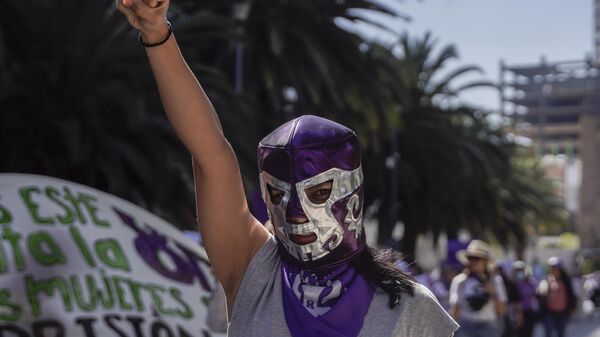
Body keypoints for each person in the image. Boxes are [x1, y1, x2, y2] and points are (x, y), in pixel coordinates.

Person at [115, 1, 460, 336]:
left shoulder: (410, 307)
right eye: (278, 194)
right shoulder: (254, 271)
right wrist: (157, 33)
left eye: (319, 192)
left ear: (353, 195)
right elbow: (212, 156)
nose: (295, 213)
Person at [449, 240, 507, 337]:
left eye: (477, 258)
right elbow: (455, 308)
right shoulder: (460, 281)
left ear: (485, 261)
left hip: (489, 327)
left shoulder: (495, 281)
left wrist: (491, 291)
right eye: (470, 258)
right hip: (466, 326)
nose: (472, 261)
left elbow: (502, 310)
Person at [536, 257, 576, 337]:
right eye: (552, 267)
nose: (553, 269)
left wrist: (572, 307)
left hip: (563, 312)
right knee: (548, 333)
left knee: (561, 333)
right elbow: (540, 292)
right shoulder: (546, 280)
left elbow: (572, 294)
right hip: (549, 312)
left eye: (555, 267)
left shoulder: (566, 280)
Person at [511, 261, 539, 337]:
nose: (519, 272)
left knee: (529, 333)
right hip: (517, 313)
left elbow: (535, 292)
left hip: (529, 311)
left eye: (521, 270)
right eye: (517, 270)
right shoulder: (512, 284)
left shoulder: (529, 282)